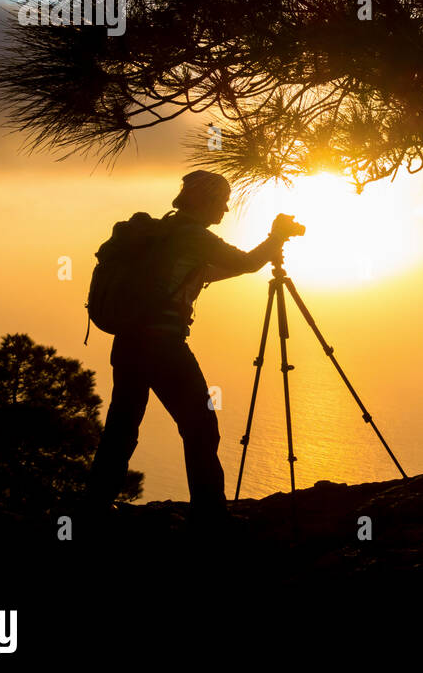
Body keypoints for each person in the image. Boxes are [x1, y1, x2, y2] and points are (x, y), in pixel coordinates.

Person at [84, 170, 296, 533]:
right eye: (222, 200)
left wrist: (265, 249)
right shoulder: (193, 235)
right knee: (201, 425)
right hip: (163, 346)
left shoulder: (164, 234)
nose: (226, 208)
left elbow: (204, 273)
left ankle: (94, 509)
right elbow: (244, 262)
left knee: (121, 428)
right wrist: (274, 239)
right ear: (205, 200)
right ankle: (210, 517)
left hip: (129, 343)